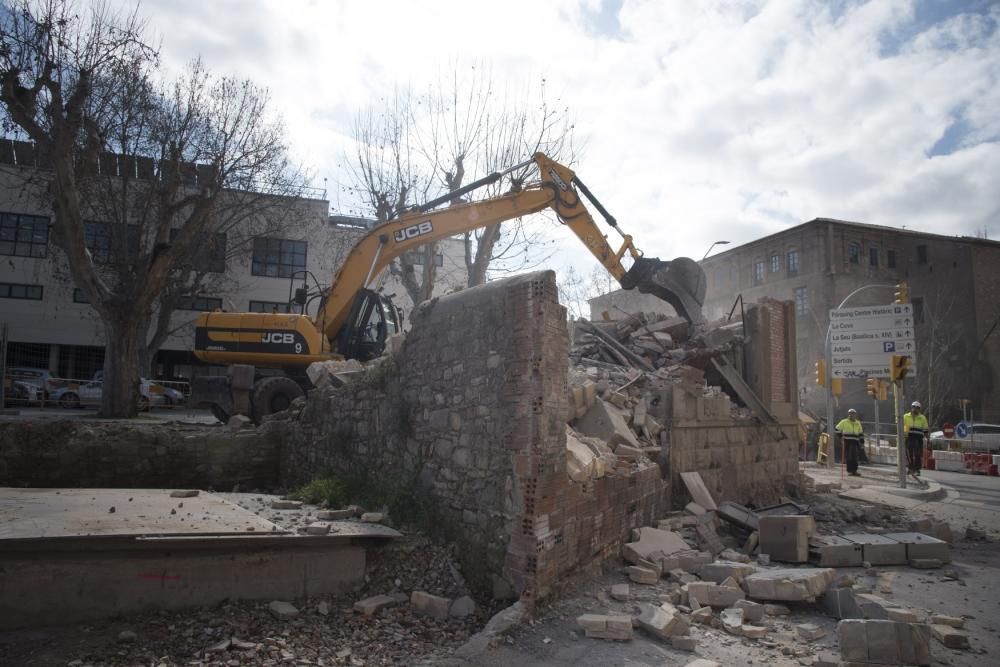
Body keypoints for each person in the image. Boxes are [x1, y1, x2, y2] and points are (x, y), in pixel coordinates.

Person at [903, 401, 929, 478]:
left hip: (918, 438)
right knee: (909, 454)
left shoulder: (922, 418)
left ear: (919, 409)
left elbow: (925, 429)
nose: (915, 409)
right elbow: (902, 427)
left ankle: (917, 469)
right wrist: (903, 436)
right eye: (914, 407)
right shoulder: (905, 416)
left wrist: (928, 439)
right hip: (909, 438)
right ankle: (910, 468)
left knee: (918, 454)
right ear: (911, 408)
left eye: (917, 408)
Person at [836, 408, 865, 476]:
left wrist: (862, 443)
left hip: (855, 442)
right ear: (848, 414)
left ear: (855, 415)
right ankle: (850, 470)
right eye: (850, 414)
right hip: (847, 441)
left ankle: (854, 470)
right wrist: (841, 437)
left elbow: (861, 434)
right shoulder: (844, 422)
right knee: (849, 456)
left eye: (853, 414)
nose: (851, 415)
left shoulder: (858, 423)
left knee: (855, 457)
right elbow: (837, 429)